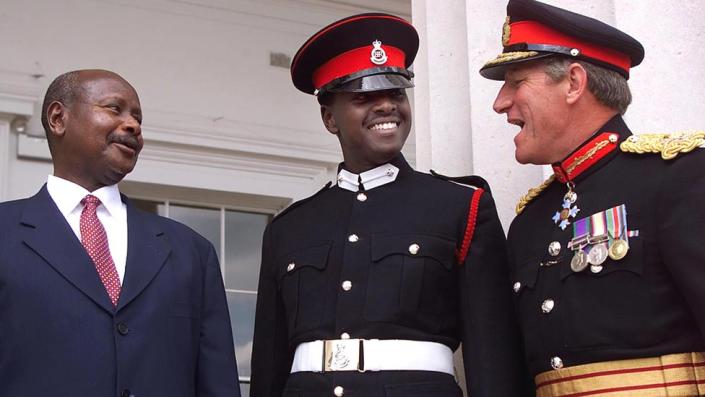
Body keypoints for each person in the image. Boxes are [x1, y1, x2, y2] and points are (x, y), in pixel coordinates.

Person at [251, 13, 529, 397]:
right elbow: (269, 365)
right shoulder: (289, 229)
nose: (387, 107)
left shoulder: (460, 207)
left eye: (396, 93)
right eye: (364, 97)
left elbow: (494, 356)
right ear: (330, 118)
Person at [480, 0, 705, 396]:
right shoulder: (530, 221)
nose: (501, 103)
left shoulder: (680, 177)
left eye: (516, 82)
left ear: (573, 83)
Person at [0, 69, 240, 397]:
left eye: (138, 117)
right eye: (114, 109)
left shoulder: (190, 252)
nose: (133, 125)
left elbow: (218, 384)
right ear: (58, 118)